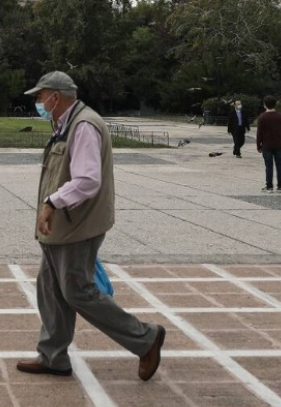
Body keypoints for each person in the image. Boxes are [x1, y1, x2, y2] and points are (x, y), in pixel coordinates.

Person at [17, 71, 166, 381]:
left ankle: (145, 338)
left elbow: (87, 180)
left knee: (78, 292)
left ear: (55, 97)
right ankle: (53, 356)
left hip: (77, 226)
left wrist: (51, 202)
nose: (38, 102)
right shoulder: (66, 124)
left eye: (40, 96)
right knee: (50, 289)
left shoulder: (84, 126)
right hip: (63, 227)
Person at [255, 95, 281, 193]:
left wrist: (258, 145)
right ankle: (280, 186)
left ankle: (269, 186)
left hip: (267, 145)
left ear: (265, 104)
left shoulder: (262, 117)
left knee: (269, 166)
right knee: (280, 165)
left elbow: (259, 133)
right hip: (279, 144)